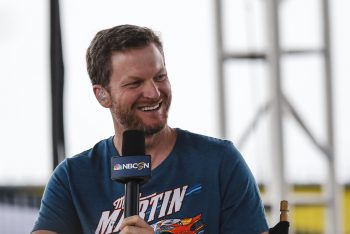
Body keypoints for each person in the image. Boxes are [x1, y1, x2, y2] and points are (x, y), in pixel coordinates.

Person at [32, 24, 269, 234]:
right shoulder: (73, 178)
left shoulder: (220, 161)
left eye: (160, 77)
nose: (154, 93)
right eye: (135, 83)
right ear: (102, 94)